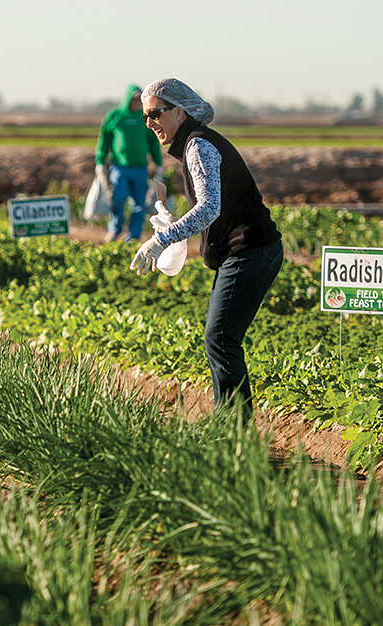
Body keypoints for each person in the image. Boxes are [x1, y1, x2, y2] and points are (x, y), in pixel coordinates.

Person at [132, 78, 283, 416]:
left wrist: (162, 239)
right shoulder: (192, 145)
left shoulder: (198, 145)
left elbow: (209, 207)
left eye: (155, 113)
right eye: (145, 116)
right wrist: (172, 224)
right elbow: (212, 206)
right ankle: (231, 428)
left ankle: (233, 432)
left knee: (220, 339)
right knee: (220, 340)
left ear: (179, 111)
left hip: (251, 250)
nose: (149, 122)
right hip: (244, 252)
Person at [94, 85, 164, 242]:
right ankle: (115, 230)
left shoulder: (144, 117)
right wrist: (100, 162)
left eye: (139, 100)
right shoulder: (115, 116)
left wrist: (158, 164)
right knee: (118, 198)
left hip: (140, 169)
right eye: (133, 99)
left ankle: (133, 235)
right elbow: (104, 142)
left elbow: (153, 143)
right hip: (120, 168)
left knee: (139, 205)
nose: (135, 103)